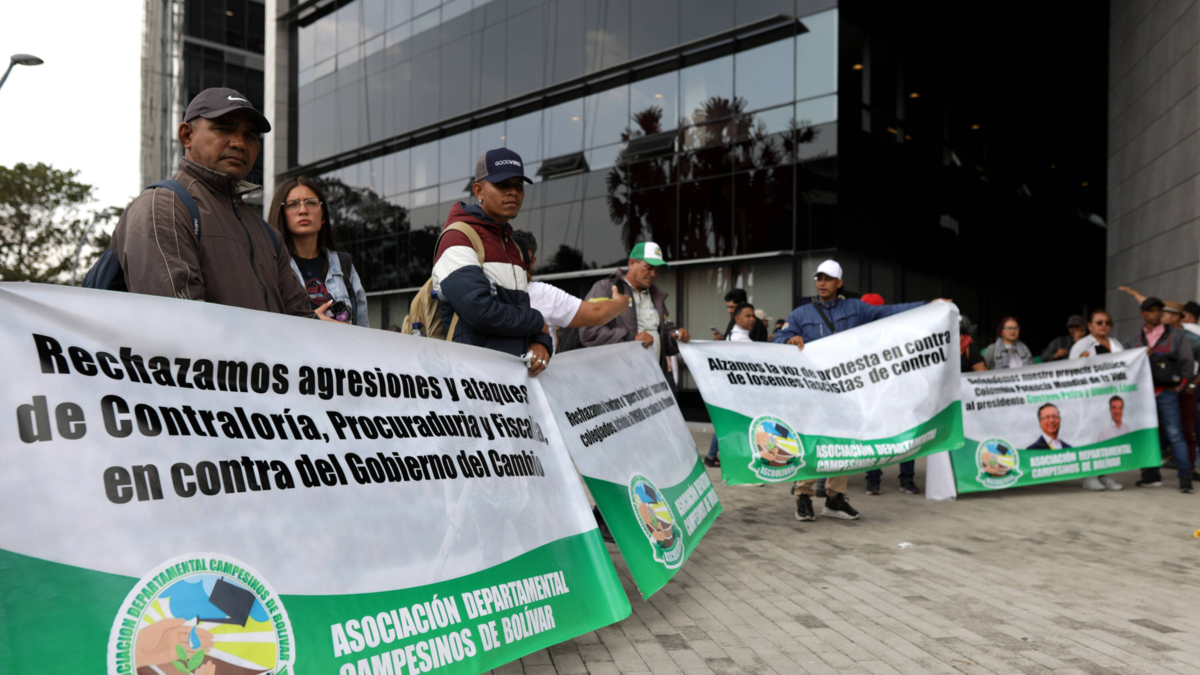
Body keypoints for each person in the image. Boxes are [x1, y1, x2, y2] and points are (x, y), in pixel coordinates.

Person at [110, 88, 339, 322]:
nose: (239, 143)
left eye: (250, 135)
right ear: (187, 136)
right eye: (224, 128)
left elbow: (301, 321)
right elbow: (178, 324)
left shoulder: (269, 235)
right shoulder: (162, 207)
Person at [773, 260, 951, 521]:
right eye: (819, 278)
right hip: (813, 390)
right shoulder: (801, 314)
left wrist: (929, 305)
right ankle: (803, 496)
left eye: (827, 279)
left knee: (843, 442)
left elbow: (891, 311)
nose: (822, 283)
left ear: (839, 283)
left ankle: (835, 499)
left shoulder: (856, 308)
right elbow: (779, 337)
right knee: (812, 441)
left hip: (847, 391)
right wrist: (789, 339)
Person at [431, 149, 553, 375]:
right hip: (472, 380)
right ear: (479, 190)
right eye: (502, 184)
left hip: (513, 380)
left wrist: (541, 341)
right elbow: (478, 311)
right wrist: (538, 322)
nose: (513, 192)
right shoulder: (457, 237)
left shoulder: (514, 246)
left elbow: (518, 312)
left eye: (518, 185)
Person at [580, 242, 691, 383]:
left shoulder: (657, 297)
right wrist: (630, 339)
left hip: (654, 382)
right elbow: (588, 332)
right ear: (632, 263)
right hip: (618, 384)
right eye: (649, 268)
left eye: (657, 270)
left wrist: (675, 337)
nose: (653, 274)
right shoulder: (606, 288)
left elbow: (665, 336)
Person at [267, 176, 369, 326]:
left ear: (323, 216)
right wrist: (313, 321)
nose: (303, 210)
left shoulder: (343, 265)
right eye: (293, 204)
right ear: (281, 214)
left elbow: (363, 330)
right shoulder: (270, 266)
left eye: (311, 203)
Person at [509, 230, 629, 353]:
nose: (515, 265)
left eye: (521, 261)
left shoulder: (543, 294)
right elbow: (596, 314)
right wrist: (621, 304)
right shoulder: (543, 294)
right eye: (512, 258)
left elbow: (596, 314)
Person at [1127, 297, 1195, 492]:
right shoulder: (1134, 339)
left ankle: (1185, 477)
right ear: (1142, 314)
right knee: (1148, 433)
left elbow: (1188, 362)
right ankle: (1151, 475)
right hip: (1142, 395)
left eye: (1159, 310)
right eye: (1151, 310)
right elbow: (1122, 364)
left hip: (1166, 392)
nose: (1156, 314)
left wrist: (1180, 386)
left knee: (1175, 433)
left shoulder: (1176, 335)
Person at [703, 303, 758, 468]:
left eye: (753, 316)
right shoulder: (738, 339)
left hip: (736, 391)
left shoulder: (736, 336)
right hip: (737, 392)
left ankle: (713, 455)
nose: (752, 319)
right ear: (737, 318)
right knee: (731, 425)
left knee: (728, 424)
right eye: (748, 316)